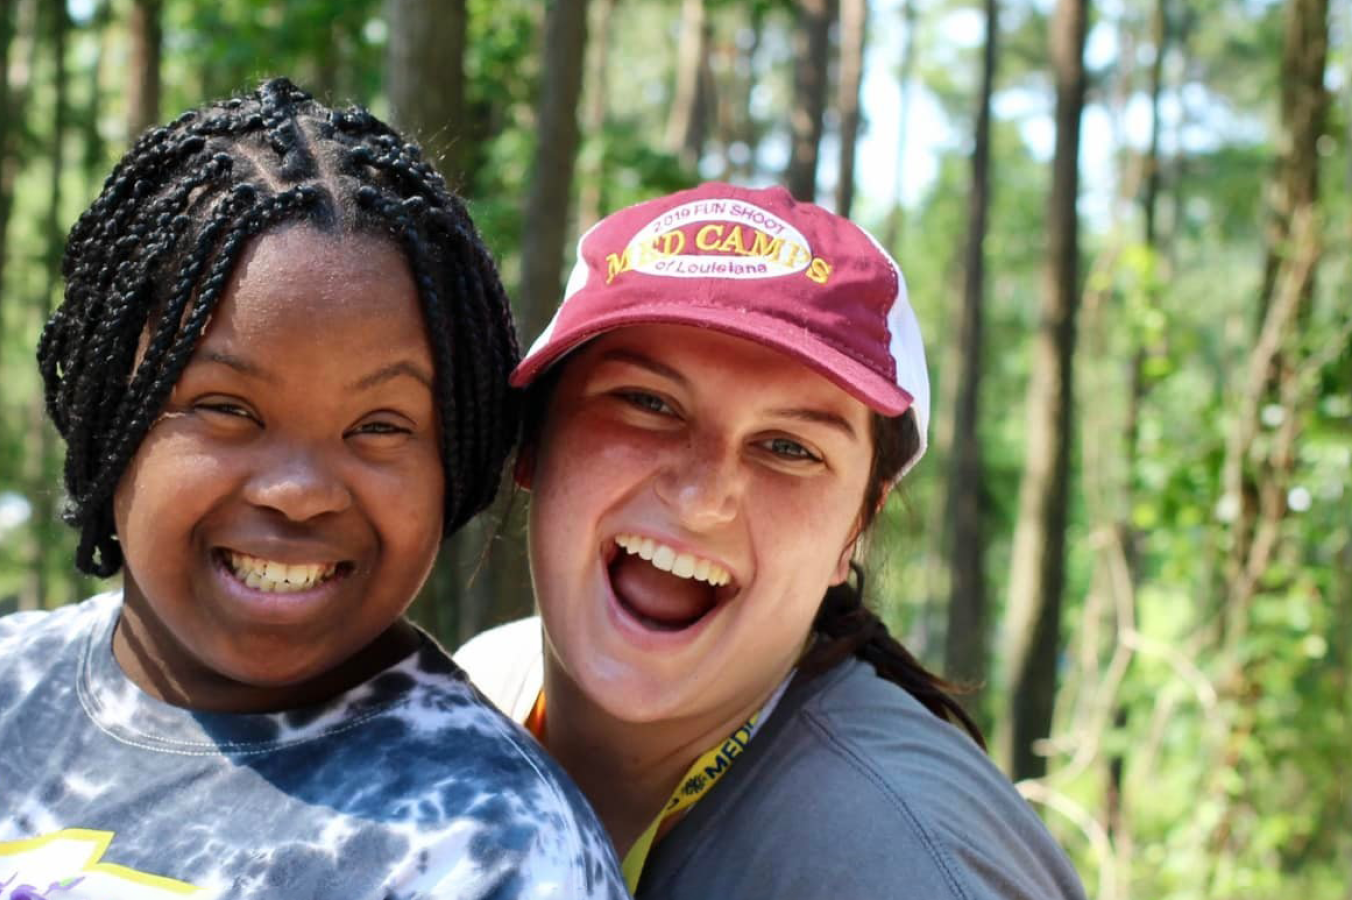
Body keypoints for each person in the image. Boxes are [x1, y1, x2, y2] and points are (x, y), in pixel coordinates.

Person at [0, 79, 626, 900]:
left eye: (380, 426)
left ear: (455, 455)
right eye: (227, 407)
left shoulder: (491, 845)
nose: (299, 491)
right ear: (110, 418)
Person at [457, 182, 1088, 898]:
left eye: (788, 447)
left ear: (855, 527)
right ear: (534, 440)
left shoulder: (896, 862)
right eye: (647, 403)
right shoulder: (477, 696)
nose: (701, 498)